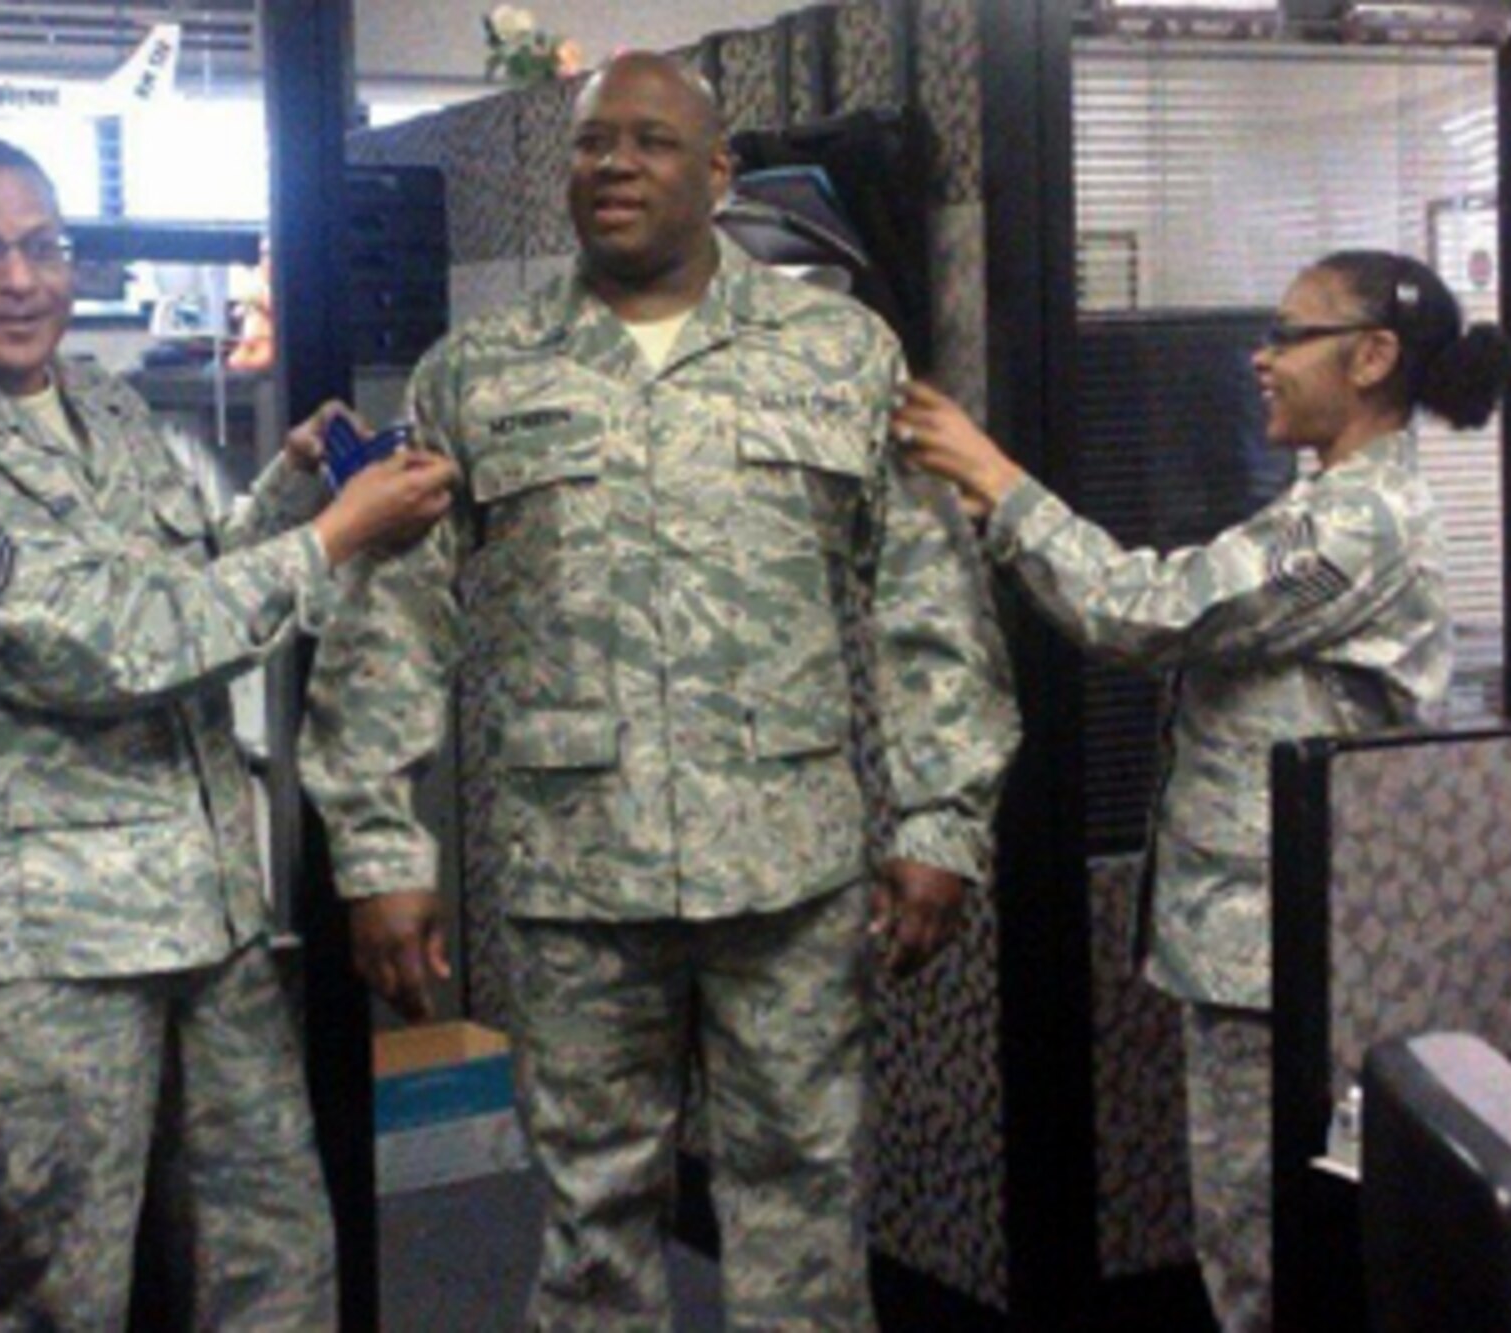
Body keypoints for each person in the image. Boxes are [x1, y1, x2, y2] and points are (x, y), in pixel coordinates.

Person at [302, 53, 1019, 1331]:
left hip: (787, 876)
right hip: (578, 882)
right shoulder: (479, 372)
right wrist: (377, 854)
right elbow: (391, 626)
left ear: (717, 172)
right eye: (591, 146)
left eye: (649, 143)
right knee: (590, 1218)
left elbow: (928, 603)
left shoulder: (839, 353)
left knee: (801, 1208)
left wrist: (941, 821)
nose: (614, 166)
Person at [0, 133, 457, 1329]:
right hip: (30, 961)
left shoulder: (99, 402)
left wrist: (296, 493)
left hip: (197, 918)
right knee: (59, 1296)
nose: (21, 280)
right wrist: (332, 540)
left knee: (273, 1270)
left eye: (43, 247)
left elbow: (190, 579)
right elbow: (101, 641)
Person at [889, 250, 1511, 1331]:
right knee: (1259, 1240)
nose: (1260, 359)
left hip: (1279, 961)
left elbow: (1148, 610)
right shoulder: (1329, 503)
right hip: (1252, 947)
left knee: (1265, 1255)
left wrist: (995, 479)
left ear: (1369, 356)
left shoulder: (1359, 523)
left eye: (1286, 334)